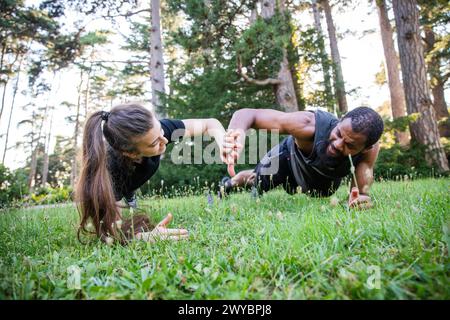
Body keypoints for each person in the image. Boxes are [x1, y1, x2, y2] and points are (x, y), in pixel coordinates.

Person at [75, 103, 226, 244]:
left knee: (130, 190)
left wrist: (224, 143)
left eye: (160, 129)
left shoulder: (153, 132)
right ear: (130, 153)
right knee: (121, 201)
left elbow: (209, 124)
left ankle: (130, 195)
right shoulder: (109, 172)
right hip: (119, 184)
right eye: (155, 143)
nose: (165, 140)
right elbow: (111, 232)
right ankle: (128, 196)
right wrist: (146, 237)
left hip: (133, 177)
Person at [221, 107, 384, 208]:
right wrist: (236, 133)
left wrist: (360, 199)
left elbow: (360, 193)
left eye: (350, 145)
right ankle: (229, 183)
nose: (337, 144)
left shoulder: (369, 150)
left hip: (317, 177)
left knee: (324, 193)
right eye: (339, 133)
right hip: (287, 159)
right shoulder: (308, 124)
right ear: (340, 120)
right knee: (256, 180)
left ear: (365, 148)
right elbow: (249, 114)